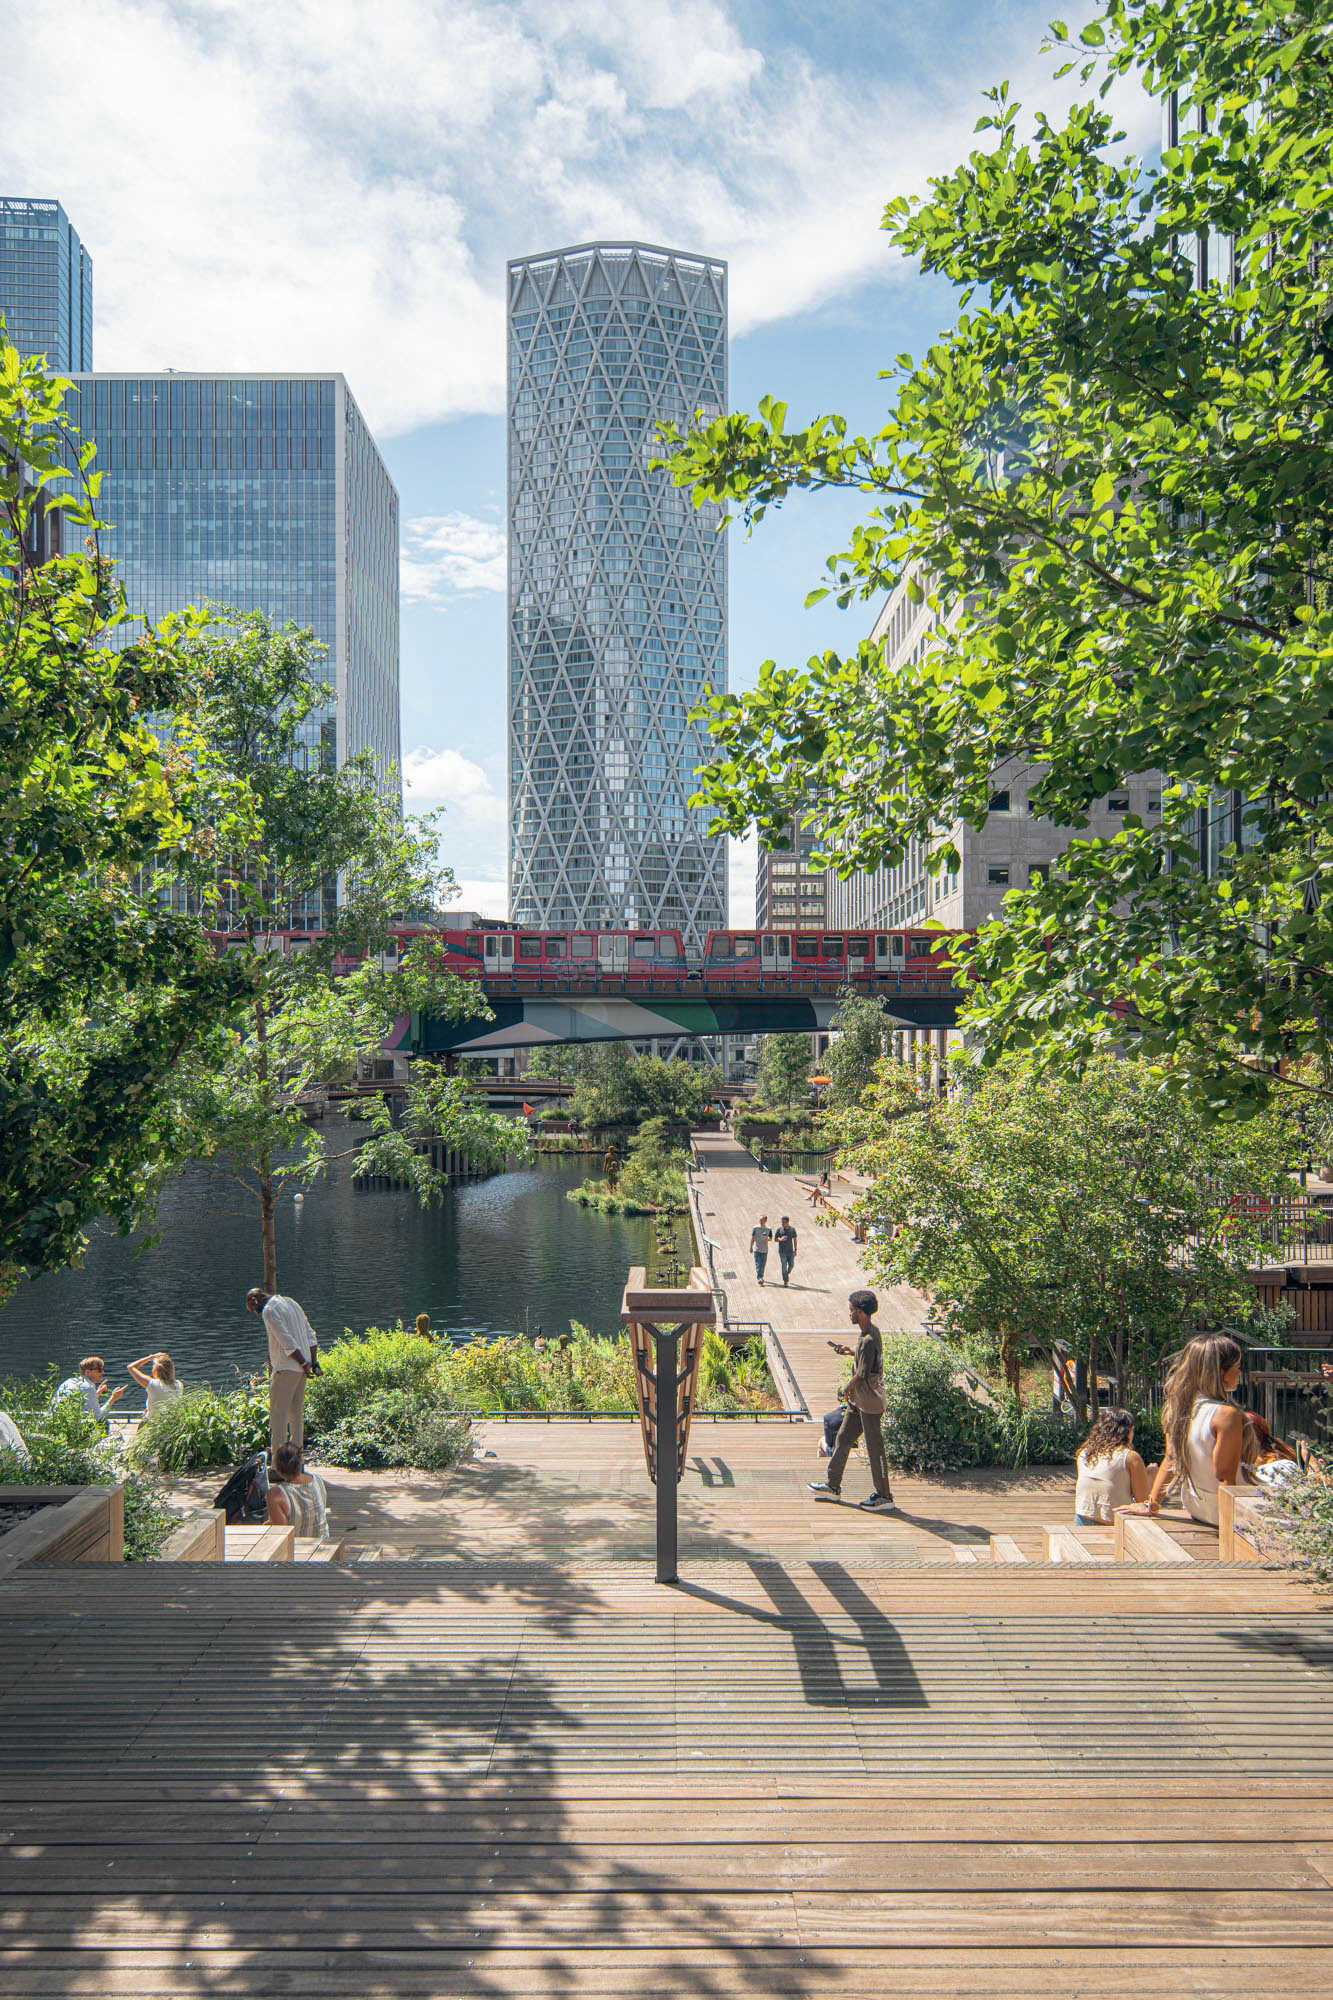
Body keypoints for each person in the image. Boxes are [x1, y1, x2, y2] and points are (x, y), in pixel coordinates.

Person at [1137, 1333, 1244, 1526]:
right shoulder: (1225, 1415)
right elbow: (1225, 1478)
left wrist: (1151, 1505)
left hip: (1197, 1507)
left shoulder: (1179, 1409)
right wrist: (1230, 1531)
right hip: (1224, 1514)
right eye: (1237, 1366)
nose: (1240, 1372)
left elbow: (1171, 1458)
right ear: (1221, 1372)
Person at [809, 1290, 896, 1512]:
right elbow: (868, 1359)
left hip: (869, 1403)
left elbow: (864, 1374)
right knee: (843, 1438)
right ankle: (832, 1486)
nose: (849, 1314)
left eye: (851, 1310)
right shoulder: (870, 1332)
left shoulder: (868, 1339)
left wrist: (846, 1388)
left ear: (861, 1312)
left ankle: (884, 1496)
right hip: (859, 1402)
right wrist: (850, 1352)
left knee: (875, 1448)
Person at [246, 1287, 320, 1459]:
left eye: (255, 1310)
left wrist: (303, 1362)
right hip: (301, 1369)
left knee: (278, 1419)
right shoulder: (291, 1302)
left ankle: (278, 1466)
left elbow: (286, 1341)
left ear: (255, 1300)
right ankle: (296, 1463)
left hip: (286, 1368)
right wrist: (312, 1363)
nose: (258, 1313)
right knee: (296, 1417)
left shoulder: (269, 1310)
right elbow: (311, 1335)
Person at [1074, 1408, 1150, 1523]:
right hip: (1116, 1522)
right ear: (1128, 1432)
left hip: (1082, 1518)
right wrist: (1151, 1475)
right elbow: (1144, 1503)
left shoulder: (1084, 1453)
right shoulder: (1130, 1457)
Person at [266, 1441, 329, 1540]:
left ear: (277, 1467)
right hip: (323, 1541)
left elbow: (283, 1535)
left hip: (299, 1546)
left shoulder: (275, 1495)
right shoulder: (317, 1480)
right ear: (300, 1462)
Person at [51, 1357, 125, 1424]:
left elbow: (80, 1401)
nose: (103, 1373)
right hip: (67, 1425)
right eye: (99, 1370)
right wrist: (113, 1398)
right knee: (103, 1423)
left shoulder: (69, 1381)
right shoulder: (88, 1387)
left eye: (102, 1369)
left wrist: (96, 1394)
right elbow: (98, 1417)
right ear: (87, 1372)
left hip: (53, 1421)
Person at [126, 1351, 183, 1416]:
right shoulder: (179, 1385)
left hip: (153, 1421)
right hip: (172, 1421)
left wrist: (151, 1357)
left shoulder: (152, 1384)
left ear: (155, 1370)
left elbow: (130, 1367)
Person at [775, 1216, 798, 1288]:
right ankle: (785, 1281)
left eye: (784, 1222)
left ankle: (786, 1274)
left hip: (790, 1251)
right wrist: (780, 1239)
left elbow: (795, 1239)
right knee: (784, 1266)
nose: (782, 1223)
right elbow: (775, 1239)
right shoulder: (779, 1229)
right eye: (782, 1222)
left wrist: (795, 1250)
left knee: (791, 1265)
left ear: (788, 1222)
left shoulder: (792, 1229)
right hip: (782, 1251)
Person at [750, 1215, 772, 1285]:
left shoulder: (769, 1229)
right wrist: (751, 1247)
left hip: (765, 1250)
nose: (760, 1221)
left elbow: (771, 1238)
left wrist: (767, 1239)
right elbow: (753, 1238)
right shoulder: (755, 1228)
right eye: (760, 1220)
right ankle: (760, 1277)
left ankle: (761, 1276)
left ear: (766, 1221)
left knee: (763, 1265)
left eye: (762, 1220)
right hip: (757, 1249)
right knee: (758, 1264)